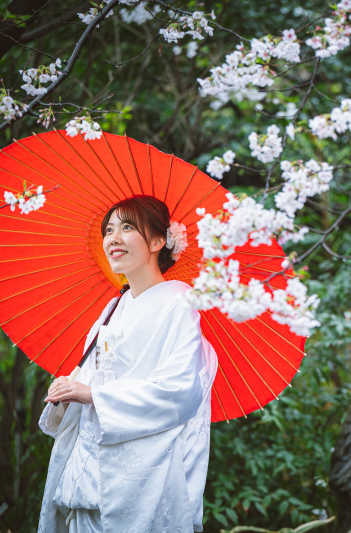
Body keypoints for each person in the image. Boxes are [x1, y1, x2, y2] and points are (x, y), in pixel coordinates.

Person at [37, 195, 218, 533]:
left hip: (140, 480)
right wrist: (68, 389)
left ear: (157, 241)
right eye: (108, 230)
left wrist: (94, 395)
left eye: (127, 227)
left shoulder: (178, 304)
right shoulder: (111, 309)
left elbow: (179, 391)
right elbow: (92, 380)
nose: (113, 238)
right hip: (86, 475)